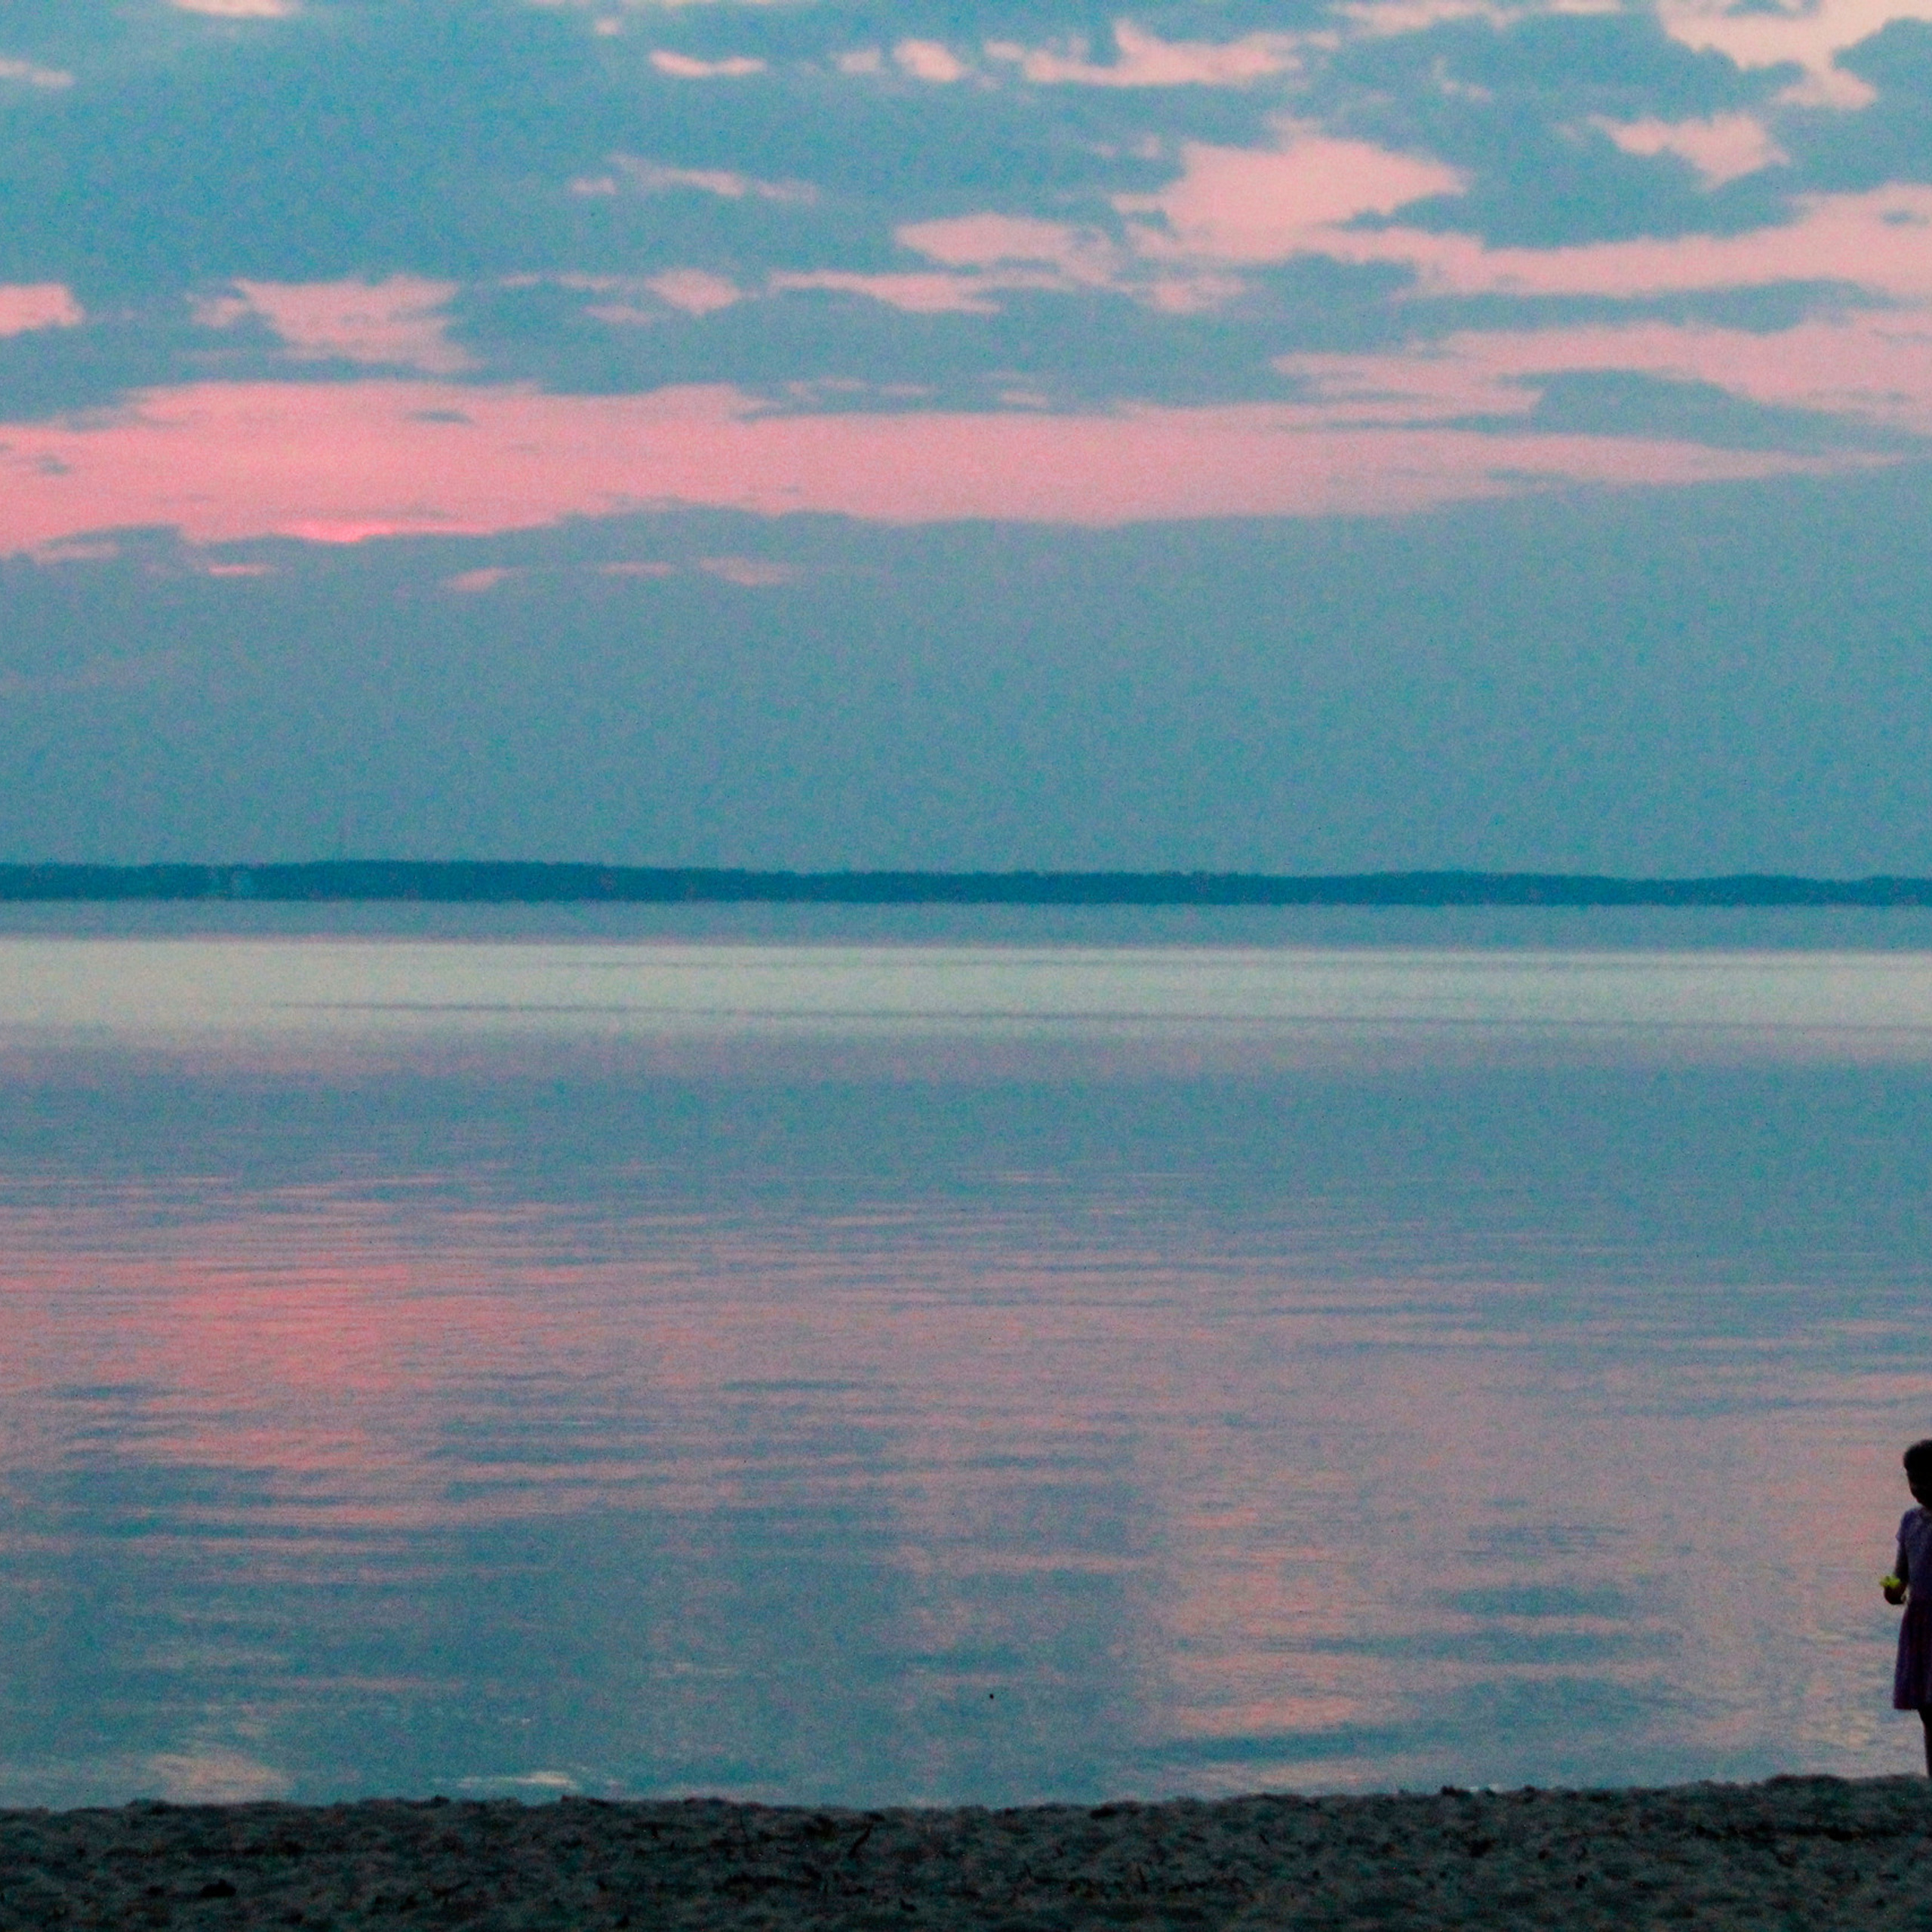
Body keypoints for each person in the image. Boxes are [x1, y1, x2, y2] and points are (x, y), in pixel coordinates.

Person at [1886, 1438, 1932, 1773]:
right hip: (1920, 1623)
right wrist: (1893, 1589)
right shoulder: (1910, 1522)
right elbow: (1901, 1573)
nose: (1916, 1487)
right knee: (1928, 1709)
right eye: (1911, 1479)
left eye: (1925, 1479)